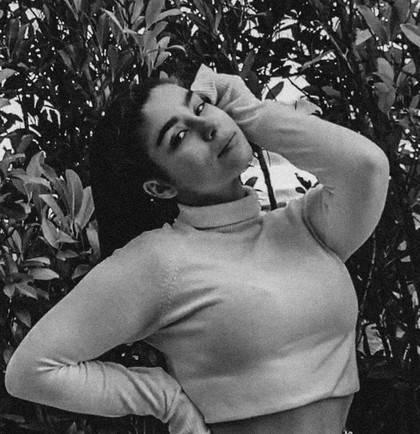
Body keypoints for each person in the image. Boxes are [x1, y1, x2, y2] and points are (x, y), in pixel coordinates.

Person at [5, 64, 389, 434]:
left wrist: (249, 109)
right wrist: (167, 401)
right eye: (178, 137)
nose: (207, 127)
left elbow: (367, 167)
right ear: (160, 188)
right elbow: (31, 371)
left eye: (201, 107)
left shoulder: (305, 227)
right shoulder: (159, 262)